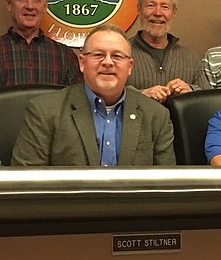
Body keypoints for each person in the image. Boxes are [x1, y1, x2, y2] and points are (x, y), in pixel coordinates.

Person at [11, 25, 175, 166]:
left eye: (117, 56)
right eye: (98, 55)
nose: (108, 62)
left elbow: (167, 188)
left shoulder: (156, 116)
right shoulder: (44, 112)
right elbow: (25, 185)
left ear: (130, 67)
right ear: (82, 63)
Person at [126, 0, 209, 103]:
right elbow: (105, 95)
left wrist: (190, 91)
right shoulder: (121, 54)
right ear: (139, 9)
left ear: (173, 12)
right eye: (151, 5)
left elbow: (209, 99)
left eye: (165, 7)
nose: (158, 13)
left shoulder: (190, 58)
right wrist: (140, 95)